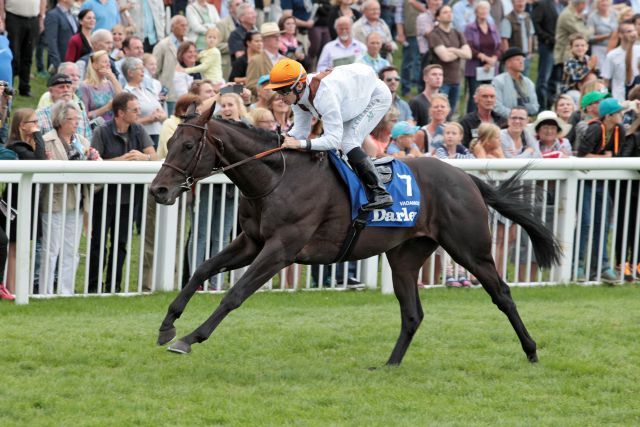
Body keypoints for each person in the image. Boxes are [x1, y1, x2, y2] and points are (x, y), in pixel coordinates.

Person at [266, 59, 393, 211]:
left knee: (348, 142)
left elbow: (333, 140)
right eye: (277, 92)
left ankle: (380, 193)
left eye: (282, 92)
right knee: (345, 143)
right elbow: (300, 132)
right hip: (350, 101)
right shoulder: (297, 98)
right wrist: (277, 140)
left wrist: (300, 144)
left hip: (375, 97)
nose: (280, 97)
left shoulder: (324, 95)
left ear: (299, 86)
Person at [89, 92, 158, 293]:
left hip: (129, 198)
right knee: (98, 243)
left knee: (121, 243)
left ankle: (114, 286)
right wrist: (123, 160)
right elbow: (94, 161)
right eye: (134, 110)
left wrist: (143, 158)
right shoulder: (102, 131)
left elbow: (154, 156)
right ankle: (93, 287)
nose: (138, 113)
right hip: (104, 197)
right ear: (120, 113)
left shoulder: (139, 130)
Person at [40, 101, 99, 295]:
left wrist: (93, 159)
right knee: (51, 248)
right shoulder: (47, 140)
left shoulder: (82, 141)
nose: (76, 123)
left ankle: (66, 291)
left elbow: (96, 170)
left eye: (77, 119)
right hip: (55, 200)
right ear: (60, 120)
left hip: (78, 200)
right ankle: (45, 291)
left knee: (71, 249)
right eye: (71, 119)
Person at [576, 97, 630, 283]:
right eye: (618, 112)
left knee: (603, 223)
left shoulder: (619, 130)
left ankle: (602, 266)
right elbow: (581, 154)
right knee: (586, 222)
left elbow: (615, 155)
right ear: (608, 116)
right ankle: (579, 265)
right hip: (585, 179)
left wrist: (603, 158)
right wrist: (603, 158)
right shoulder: (594, 128)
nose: (622, 115)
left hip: (601, 180)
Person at [0, 108, 46, 295]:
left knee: (20, 248)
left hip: (27, 201)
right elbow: (38, 161)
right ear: (22, 125)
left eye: (37, 122)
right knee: (14, 248)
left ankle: (16, 288)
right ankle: (12, 288)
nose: (36, 126)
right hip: (15, 203)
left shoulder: (26, 147)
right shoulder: (17, 147)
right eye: (32, 122)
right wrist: (39, 137)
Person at [427, 4, 471, 115]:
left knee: (451, 113)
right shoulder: (434, 34)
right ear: (438, 17)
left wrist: (452, 49)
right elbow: (445, 57)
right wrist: (460, 52)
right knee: (439, 113)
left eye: (450, 11)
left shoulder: (457, 33)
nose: (449, 14)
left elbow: (468, 54)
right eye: (445, 12)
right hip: (441, 82)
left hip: (456, 80)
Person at [2, 0, 45, 97]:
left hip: (33, 19)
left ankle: (24, 88)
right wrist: (1, 18)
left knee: (28, 56)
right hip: (13, 18)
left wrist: (41, 17)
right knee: (13, 56)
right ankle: (8, 87)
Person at [464, 0, 500, 113]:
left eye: (486, 9)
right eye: (481, 9)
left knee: (490, 96)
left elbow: (499, 46)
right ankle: (471, 123)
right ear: (476, 11)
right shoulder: (470, 27)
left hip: (491, 67)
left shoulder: (493, 27)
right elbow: (468, 46)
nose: (484, 11)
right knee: (476, 97)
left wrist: (493, 59)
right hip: (475, 67)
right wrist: (483, 57)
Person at [122, 57, 166, 147]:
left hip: (158, 135)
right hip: (141, 138)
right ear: (130, 73)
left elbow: (164, 114)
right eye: (140, 69)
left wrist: (159, 116)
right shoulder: (126, 93)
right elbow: (126, 122)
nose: (143, 72)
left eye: (143, 69)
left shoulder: (148, 91)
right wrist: (149, 119)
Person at [36, 73, 92, 140]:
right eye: (61, 87)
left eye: (68, 87)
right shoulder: (41, 115)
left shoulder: (80, 113)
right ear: (51, 91)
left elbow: (88, 139)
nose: (66, 90)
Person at [153, 15, 188, 114]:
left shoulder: (188, 43)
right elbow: (154, 71)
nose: (185, 27)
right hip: (170, 94)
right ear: (172, 27)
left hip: (186, 92)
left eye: (186, 25)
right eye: (182, 25)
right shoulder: (162, 45)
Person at [492, 47, 539, 119]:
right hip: (504, 121)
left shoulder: (529, 83)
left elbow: (535, 107)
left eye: (522, 60)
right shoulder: (498, 81)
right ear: (508, 63)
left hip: (526, 120)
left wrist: (524, 116)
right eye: (517, 59)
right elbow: (497, 106)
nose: (521, 62)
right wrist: (517, 117)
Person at [532, 0, 561, 110]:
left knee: (554, 79)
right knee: (543, 79)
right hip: (547, 46)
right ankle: (541, 107)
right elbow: (535, 23)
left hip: (558, 48)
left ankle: (550, 107)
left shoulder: (561, 5)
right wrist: (547, 38)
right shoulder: (542, 4)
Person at [79, 50, 123, 123]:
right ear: (95, 65)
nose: (108, 65)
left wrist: (113, 78)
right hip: (96, 129)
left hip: (113, 126)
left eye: (108, 62)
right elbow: (84, 115)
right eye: (105, 62)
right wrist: (107, 107)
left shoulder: (110, 83)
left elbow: (122, 100)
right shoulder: (84, 86)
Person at [602, 20, 640, 101]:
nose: (633, 33)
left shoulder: (639, 50)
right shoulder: (612, 55)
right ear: (620, 34)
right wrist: (603, 98)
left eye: (634, 30)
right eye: (629, 31)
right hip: (620, 98)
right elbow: (606, 81)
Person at [396, 0, 426, 97]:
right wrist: (400, 33)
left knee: (423, 63)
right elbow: (399, 16)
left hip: (426, 34)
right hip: (410, 34)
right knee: (408, 62)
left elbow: (430, 12)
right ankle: (406, 89)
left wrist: (415, 3)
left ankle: (421, 89)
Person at [246, 22, 285, 94]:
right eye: (273, 36)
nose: (277, 38)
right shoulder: (256, 60)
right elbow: (250, 85)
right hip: (265, 103)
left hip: (283, 103)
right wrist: (267, 89)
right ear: (264, 39)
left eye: (279, 35)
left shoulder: (286, 60)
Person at [500, 0, 535, 75]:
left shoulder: (527, 17)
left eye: (522, 1)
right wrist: (508, 57)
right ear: (513, 3)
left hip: (525, 57)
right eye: (518, 1)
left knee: (524, 82)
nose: (521, 4)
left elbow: (530, 35)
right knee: (512, 82)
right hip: (514, 58)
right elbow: (504, 40)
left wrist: (530, 52)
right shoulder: (508, 19)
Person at [45, 0, 79, 71]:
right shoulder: (53, 15)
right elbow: (51, 41)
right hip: (62, 61)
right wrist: (57, 63)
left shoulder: (72, 15)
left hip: (74, 59)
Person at [588, 0, 618, 70]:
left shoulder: (614, 14)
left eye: (606, 1)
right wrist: (607, 36)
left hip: (614, 48)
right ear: (597, 4)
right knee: (601, 71)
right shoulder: (592, 17)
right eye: (602, 1)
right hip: (599, 48)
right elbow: (590, 37)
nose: (604, 3)